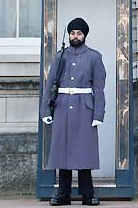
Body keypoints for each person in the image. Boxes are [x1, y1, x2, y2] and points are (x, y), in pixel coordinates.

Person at [40, 18, 106, 206]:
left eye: (78, 33)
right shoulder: (60, 56)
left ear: (84, 35)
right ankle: (63, 194)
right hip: (62, 106)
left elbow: (99, 87)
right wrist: (45, 109)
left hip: (84, 108)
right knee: (63, 152)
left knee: (84, 152)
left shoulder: (94, 57)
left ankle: (88, 194)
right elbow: (50, 84)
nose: (75, 36)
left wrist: (98, 113)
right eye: (72, 33)